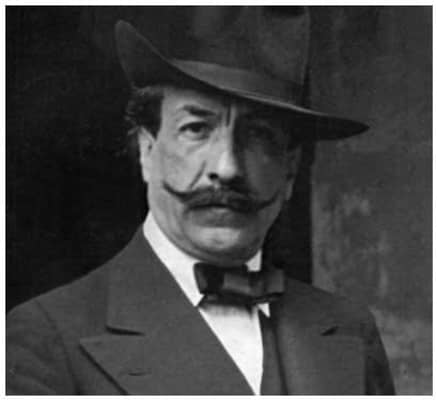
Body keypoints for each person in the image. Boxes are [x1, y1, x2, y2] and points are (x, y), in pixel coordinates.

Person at [6, 7, 395, 395]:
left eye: (258, 135)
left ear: (290, 170)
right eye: (196, 128)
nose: (227, 168)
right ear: (146, 150)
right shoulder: (46, 339)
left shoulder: (351, 330)